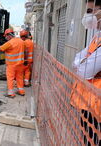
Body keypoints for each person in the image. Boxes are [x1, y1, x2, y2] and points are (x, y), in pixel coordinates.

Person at [70, 0, 101, 145]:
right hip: (90, 102)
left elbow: (84, 70)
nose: (86, 16)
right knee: (87, 137)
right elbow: (77, 58)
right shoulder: (97, 37)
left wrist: (81, 64)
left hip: (97, 105)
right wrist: (81, 63)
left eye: (90, 11)